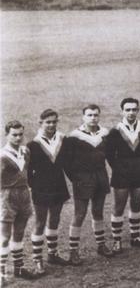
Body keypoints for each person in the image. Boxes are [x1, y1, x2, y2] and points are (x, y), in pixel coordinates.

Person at [64, 104, 115, 265]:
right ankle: (73, 251)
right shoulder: (74, 136)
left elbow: (109, 156)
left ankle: (101, 245)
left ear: (99, 116)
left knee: (98, 211)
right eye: (89, 115)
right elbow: (67, 163)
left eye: (95, 115)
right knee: (79, 214)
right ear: (83, 117)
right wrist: (76, 178)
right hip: (82, 178)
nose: (93, 118)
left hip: (100, 176)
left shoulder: (105, 133)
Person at [105, 98, 140, 252]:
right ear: (122, 111)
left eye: (134, 109)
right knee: (119, 206)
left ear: (138, 110)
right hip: (121, 173)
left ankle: (135, 237)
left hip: (139, 170)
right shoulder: (115, 131)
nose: (131, 113)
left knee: (136, 205)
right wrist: (119, 168)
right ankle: (117, 240)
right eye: (128, 110)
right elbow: (109, 155)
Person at [26, 110, 71, 272]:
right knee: (40, 222)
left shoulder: (62, 140)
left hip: (58, 186)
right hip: (41, 188)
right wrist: (34, 186)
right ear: (41, 123)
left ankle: (52, 254)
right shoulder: (32, 145)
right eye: (48, 122)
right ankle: (37, 258)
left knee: (55, 219)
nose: (51, 125)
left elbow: (67, 164)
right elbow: (27, 172)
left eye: (54, 122)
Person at [1, 121, 40, 283]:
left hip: (24, 194)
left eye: (20, 134)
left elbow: (26, 173)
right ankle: (2, 273)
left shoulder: (26, 151)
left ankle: (18, 268)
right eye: (14, 135)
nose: (18, 138)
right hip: (7, 196)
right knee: (4, 236)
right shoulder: (2, 155)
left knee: (19, 233)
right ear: (7, 135)